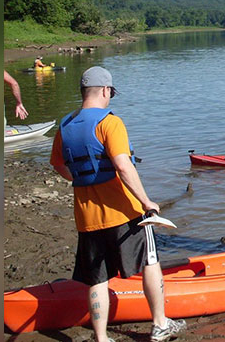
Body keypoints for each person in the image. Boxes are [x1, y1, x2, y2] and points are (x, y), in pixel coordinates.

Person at [49, 66, 185, 342]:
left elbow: (58, 165)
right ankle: (160, 324)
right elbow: (124, 166)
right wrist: (146, 201)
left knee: (97, 278)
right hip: (125, 213)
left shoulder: (64, 125)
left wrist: (81, 180)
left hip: (87, 217)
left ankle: (101, 338)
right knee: (150, 262)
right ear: (104, 90)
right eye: (110, 91)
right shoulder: (110, 122)